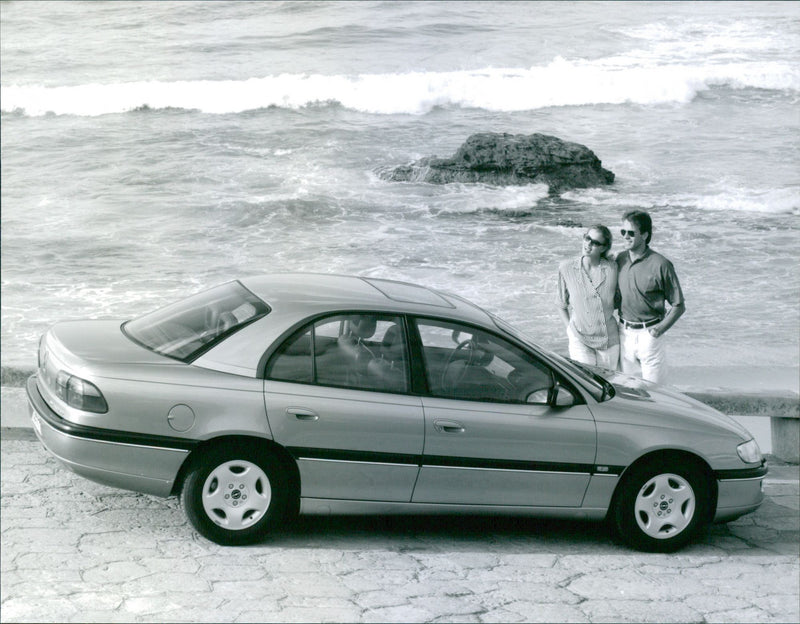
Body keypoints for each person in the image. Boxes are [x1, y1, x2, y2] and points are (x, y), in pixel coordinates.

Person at [616, 210, 685, 384]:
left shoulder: (661, 264)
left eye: (631, 233)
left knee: (655, 393)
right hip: (623, 333)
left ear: (645, 235)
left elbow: (679, 305)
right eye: (622, 232)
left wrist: (658, 330)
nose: (625, 236)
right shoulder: (620, 259)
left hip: (650, 335)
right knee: (627, 390)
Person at [556, 225, 620, 369]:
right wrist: (570, 330)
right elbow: (561, 304)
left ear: (603, 248)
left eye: (595, 242)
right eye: (587, 238)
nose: (589, 244)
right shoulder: (566, 268)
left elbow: (620, 300)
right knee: (585, 384)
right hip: (579, 338)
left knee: (608, 385)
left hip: (609, 340)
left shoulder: (613, 268)